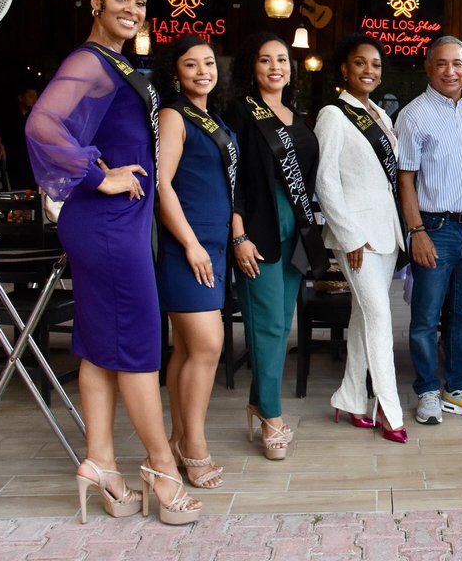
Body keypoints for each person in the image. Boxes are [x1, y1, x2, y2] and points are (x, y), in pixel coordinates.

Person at [26, 0, 200, 525]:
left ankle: (100, 461)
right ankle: (160, 469)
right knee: (142, 350)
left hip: (113, 227)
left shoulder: (116, 63)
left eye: (141, 2)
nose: (132, 9)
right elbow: (41, 124)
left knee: (102, 348)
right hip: (107, 226)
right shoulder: (92, 61)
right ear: (96, 0)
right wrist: (100, 175)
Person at [226, 32, 320, 461]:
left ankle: (257, 403)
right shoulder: (241, 113)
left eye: (282, 59)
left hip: (295, 235)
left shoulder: (297, 116)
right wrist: (238, 235)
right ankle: (273, 418)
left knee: (282, 328)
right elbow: (232, 182)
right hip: (257, 236)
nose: (275, 67)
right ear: (253, 67)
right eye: (265, 60)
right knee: (265, 328)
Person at [313, 34, 408, 444]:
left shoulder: (381, 115)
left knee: (362, 317)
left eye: (376, 65)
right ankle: (389, 407)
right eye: (360, 63)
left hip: (385, 233)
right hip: (357, 239)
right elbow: (325, 179)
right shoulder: (333, 114)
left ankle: (350, 396)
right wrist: (350, 237)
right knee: (380, 319)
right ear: (344, 69)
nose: (369, 71)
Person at [397, 36, 462, 425]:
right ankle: (426, 391)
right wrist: (417, 231)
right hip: (435, 228)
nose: (450, 71)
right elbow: (406, 181)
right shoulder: (413, 114)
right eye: (442, 63)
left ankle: (458, 389)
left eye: (458, 63)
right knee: (426, 317)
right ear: (428, 67)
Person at [152, 37, 235, 489]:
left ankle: (180, 439)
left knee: (189, 350)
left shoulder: (212, 118)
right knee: (207, 347)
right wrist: (190, 244)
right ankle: (194, 448)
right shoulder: (173, 115)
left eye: (208, 62)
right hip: (191, 247)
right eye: (191, 64)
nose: (202, 70)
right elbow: (163, 185)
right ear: (175, 72)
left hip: (216, 246)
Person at [0, 84, 39, 190]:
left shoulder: (37, 116)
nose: (35, 100)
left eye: (36, 96)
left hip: (31, 162)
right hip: (13, 160)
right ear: (20, 97)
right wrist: (0, 146)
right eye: (30, 96)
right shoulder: (8, 115)